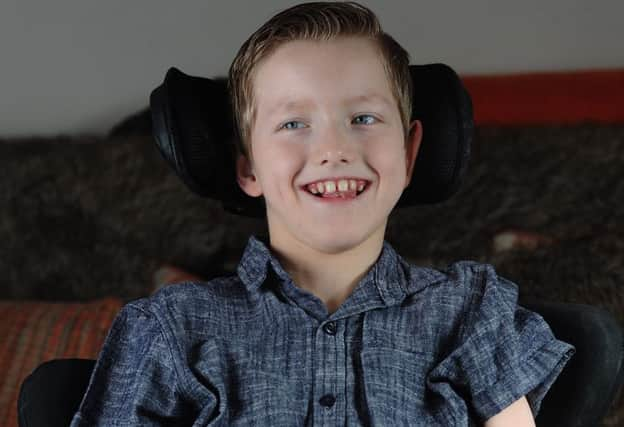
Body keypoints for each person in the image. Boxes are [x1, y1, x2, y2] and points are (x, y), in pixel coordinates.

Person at [71, 2, 575, 425]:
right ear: (246, 167)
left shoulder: (471, 314)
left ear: (408, 154)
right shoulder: (170, 330)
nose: (333, 148)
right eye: (293, 122)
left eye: (363, 117)